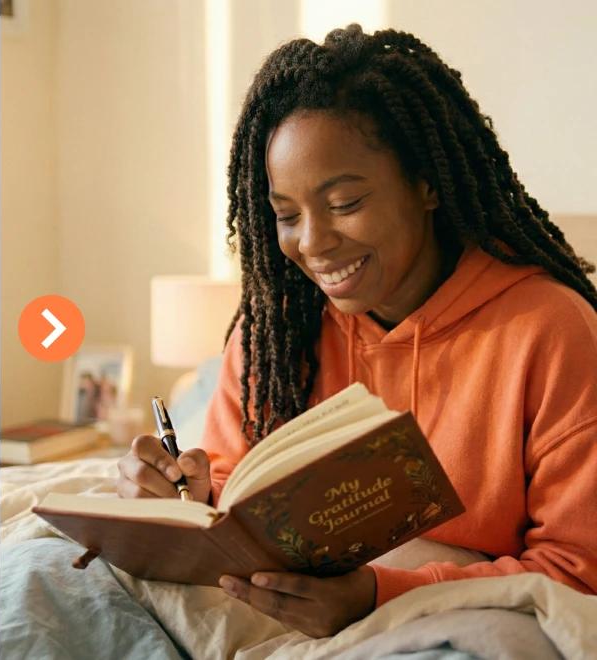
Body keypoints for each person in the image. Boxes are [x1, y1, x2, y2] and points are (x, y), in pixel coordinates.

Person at [113, 24, 597, 640]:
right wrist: (183, 502)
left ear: (426, 184)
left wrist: (378, 593)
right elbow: (231, 503)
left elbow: (579, 574)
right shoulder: (274, 335)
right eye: (286, 215)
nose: (312, 243)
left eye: (344, 203)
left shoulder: (550, 331)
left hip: (452, 626)